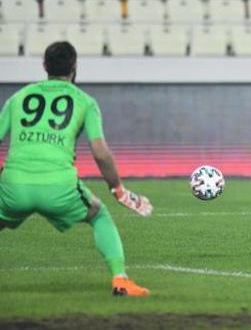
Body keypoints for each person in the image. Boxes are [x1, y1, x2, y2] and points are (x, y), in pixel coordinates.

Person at [0, 41, 154, 295]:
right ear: (74, 67)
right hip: (59, 187)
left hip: (14, 185)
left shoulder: (17, 98)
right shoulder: (85, 102)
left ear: (45, 66)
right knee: (99, 215)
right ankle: (121, 280)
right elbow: (100, 152)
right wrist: (118, 190)